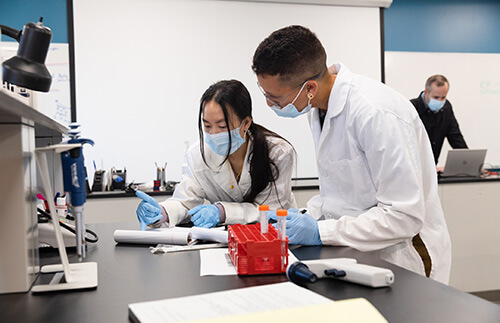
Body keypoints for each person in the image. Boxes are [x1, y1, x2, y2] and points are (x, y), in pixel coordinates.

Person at [252, 25, 451, 283]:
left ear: (309, 87)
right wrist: (305, 216)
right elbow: (342, 195)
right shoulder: (318, 109)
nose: (269, 104)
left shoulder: (374, 112)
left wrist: (320, 231)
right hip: (357, 254)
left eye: (274, 97)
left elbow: (404, 217)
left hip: (403, 257)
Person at [136, 79, 296, 230]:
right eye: (207, 126)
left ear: (246, 123)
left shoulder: (277, 153)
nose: (213, 134)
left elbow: (270, 211)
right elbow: (186, 203)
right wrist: (162, 212)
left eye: (222, 126)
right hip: (223, 241)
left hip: (273, 236)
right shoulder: (199, 155)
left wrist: (221, 212)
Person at [411, 75, 468, 165]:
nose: (440, 101)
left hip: (433, 167)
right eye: (436, 97)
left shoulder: (446, 108)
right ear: (426, 93)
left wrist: (467, 161)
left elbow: (456, 137)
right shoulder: (411, 108)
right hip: (414, 167)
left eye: (443, 97)